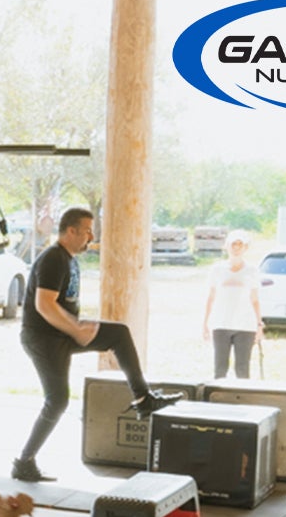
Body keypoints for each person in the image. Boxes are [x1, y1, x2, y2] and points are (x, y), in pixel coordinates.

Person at [13, 207, 181, 483]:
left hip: (62, 334)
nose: (91, 236)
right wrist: (76, 328)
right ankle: (24, 462)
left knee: (119, 334)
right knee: (57, 401)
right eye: (87, 230)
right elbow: (43, 305)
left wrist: (78, 325)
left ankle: (143, 399)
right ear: (71, 231)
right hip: (43, 338)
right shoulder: (53, 259)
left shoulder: (68, 259)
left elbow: (61, 306)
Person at [203, 230, 263, 379]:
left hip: (245, 326)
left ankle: (242, 400)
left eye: (240, 244)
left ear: (245, 248)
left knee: (242, 369)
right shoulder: (217, 270)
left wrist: (259, 325)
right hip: (221, 324)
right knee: (220, 369)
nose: (236, 247)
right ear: (227, 246)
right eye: (233, 244)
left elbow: (255, 299)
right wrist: (205, 323)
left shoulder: (252, 271)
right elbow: (211, 297)